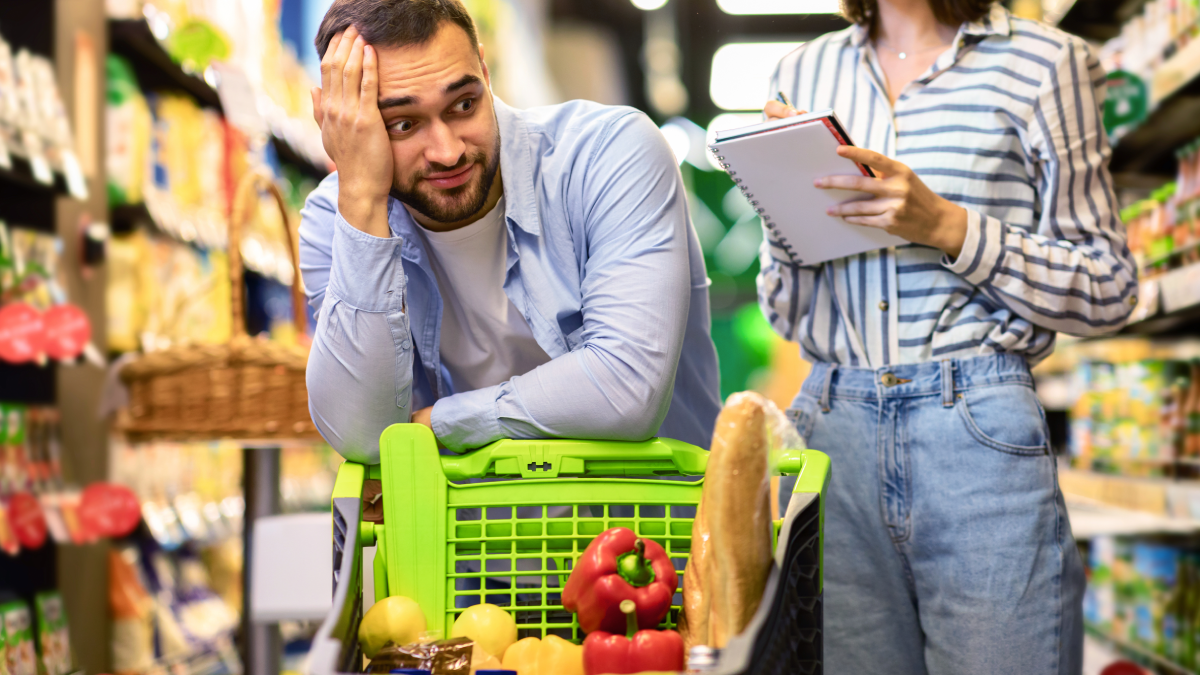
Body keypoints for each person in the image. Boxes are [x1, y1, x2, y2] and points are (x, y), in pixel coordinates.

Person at [760, 0, 1136, 672]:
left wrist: (949, 227)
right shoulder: (802, 71)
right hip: (832, 429)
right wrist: (784, 209)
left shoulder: (1046, 62)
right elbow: (786, 313)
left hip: (979, 431)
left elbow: (1110, 285)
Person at [299, 0, 721, 464]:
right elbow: (361, 435)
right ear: (345, 122)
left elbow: (627, 389)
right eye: (403, 123)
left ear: (484, 68)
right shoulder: (334, 220)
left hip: (651, 526)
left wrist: (438, 423)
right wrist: (361, 199)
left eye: (463, 104)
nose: (447, 150)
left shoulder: (609, 154)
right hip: (466, 538)